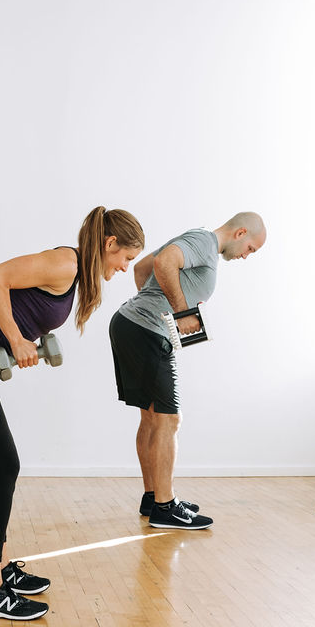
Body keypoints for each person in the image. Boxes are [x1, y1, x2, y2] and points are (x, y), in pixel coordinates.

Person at [0, 206, 144, 620]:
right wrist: (17, 337)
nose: (124, 267)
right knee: (4, 465)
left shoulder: (75, 273)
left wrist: (22, 340)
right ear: (110, 244)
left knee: (3, 464)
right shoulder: (66, 262)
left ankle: (0, 570)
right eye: (125, 258)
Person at [109, 212, 265, 529]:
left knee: (153, 417)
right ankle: (165, 507)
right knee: (169, 419)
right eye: (251, 248)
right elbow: (164, 261)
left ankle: (154, 497)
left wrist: (153, 306)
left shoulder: (200, 241)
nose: (247, 256)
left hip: (133, 325)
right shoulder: (204, 242)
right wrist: (180, 313)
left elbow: (141, 268)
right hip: (145, 331)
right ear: (241, 233)